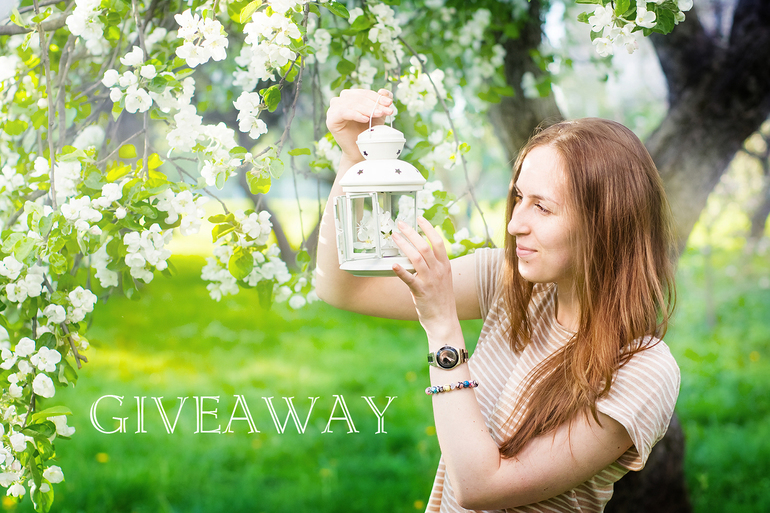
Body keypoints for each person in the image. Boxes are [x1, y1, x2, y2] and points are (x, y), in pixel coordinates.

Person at [315, 88, 680, 512]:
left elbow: (481, 488)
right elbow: (341, 288)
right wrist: (354, 159)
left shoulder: (641, 371)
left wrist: (442, 328)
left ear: (605, 223)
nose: (514, 224)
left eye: (543, 208)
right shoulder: (511, 283)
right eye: (519, 198)